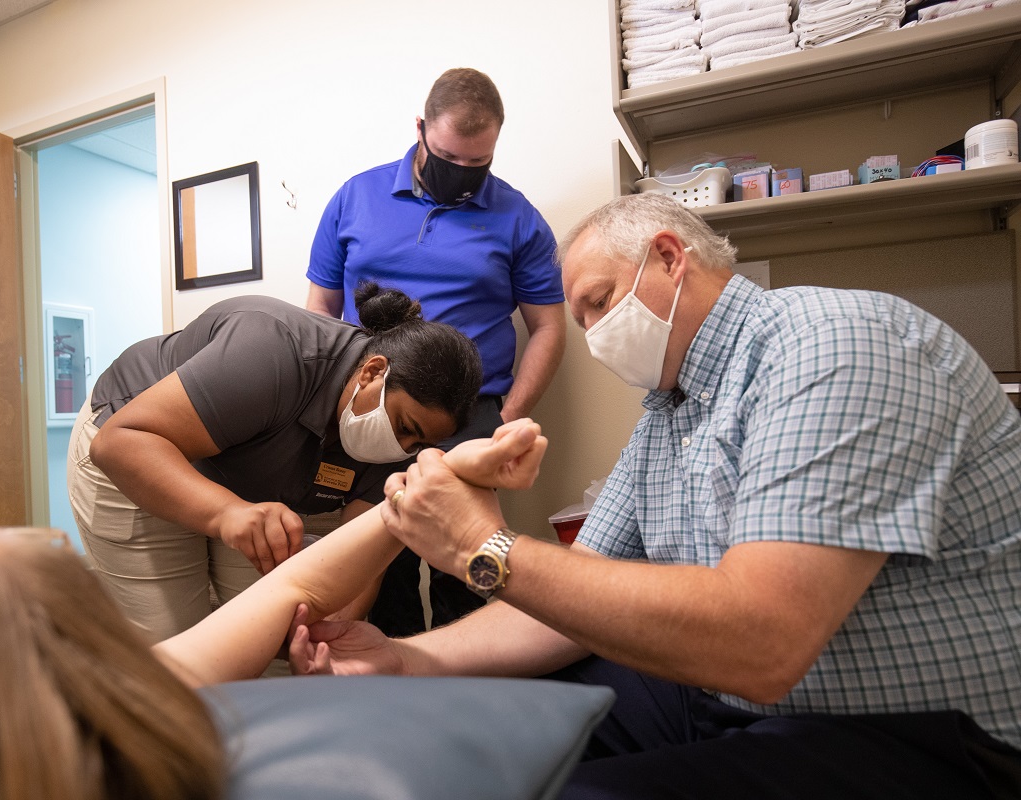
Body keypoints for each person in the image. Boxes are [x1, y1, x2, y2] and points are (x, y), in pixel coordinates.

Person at [290, 193, 1021, 799]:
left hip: (911, 729)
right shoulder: (668, 414)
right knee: (474, 743)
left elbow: (762, 642)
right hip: (723, 694)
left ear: (670, 257)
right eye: (580, 322)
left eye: (599, 303)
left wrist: (482, 547)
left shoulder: (832, 345)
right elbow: (568, 610)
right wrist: (406, 660)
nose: (597, 336)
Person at [0, 421, 547, 800]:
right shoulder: (78, 713)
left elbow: (280, 592)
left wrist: (422, 489)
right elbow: (279, 596)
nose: (32, 532)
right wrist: (430, 487)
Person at [305, 67, 567, 637]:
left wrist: (508, 414)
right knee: (376, 560)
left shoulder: (517, 217)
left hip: (469, 416)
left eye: (480, 163)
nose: (464, 175)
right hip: (371, 407)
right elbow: (317, 312)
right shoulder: (355, 197)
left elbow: (548, 327)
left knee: (467, 570)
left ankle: (464, 696)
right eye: (451, 157)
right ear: (421, 129)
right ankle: (388, 686)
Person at [68, 282, 481, 642]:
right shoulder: (274, 349)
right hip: (139, 445)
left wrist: (337, 617)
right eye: (404, 426)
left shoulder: (404, 442)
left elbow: (363, 552)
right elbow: (119, 443)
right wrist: (226, 512)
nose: (402, 447)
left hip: (252, 480)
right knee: (176, 644)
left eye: (419, 443)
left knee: (273, 636)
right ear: (373, 372)